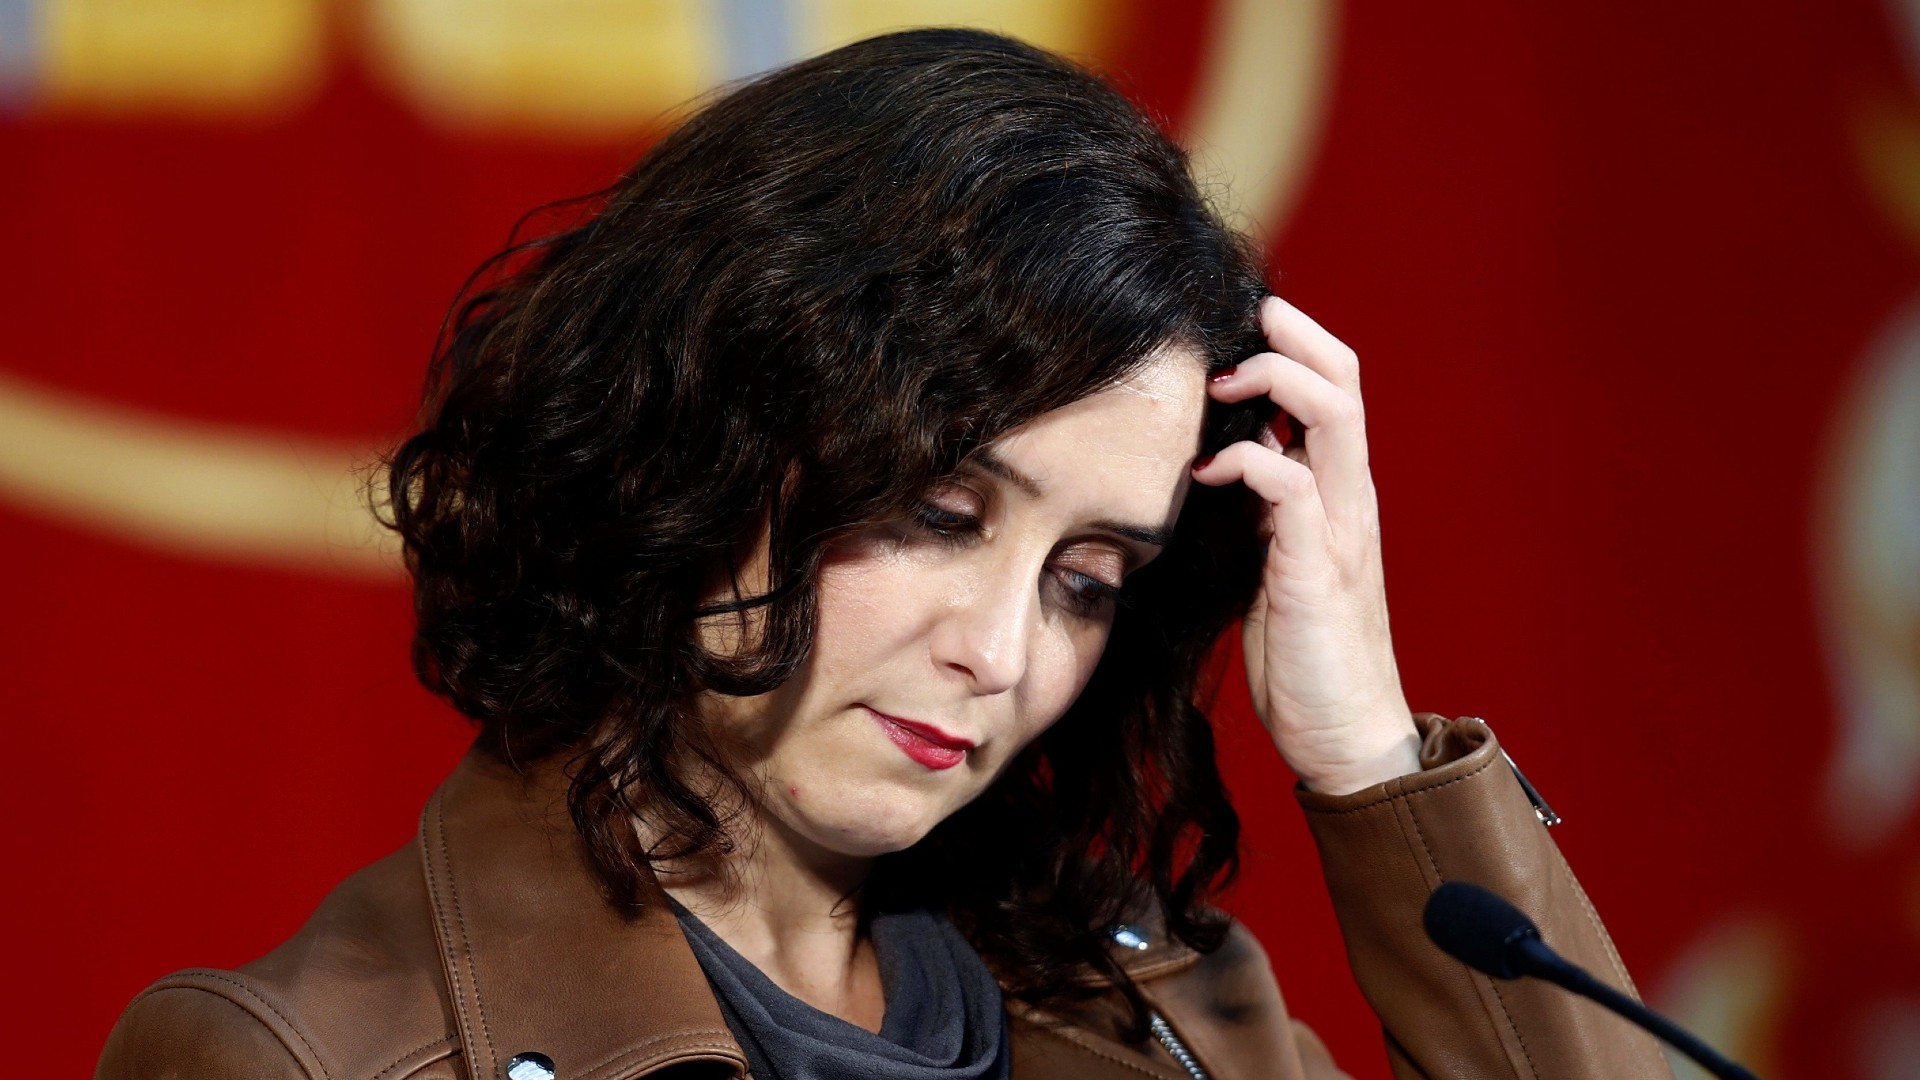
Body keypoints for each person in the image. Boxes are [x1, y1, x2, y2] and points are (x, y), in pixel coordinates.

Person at [97, 28, 1674, 1080]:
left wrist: (1369, 758)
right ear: (703, 431)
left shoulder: (1168, 1008)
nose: (999, 652)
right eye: (937, 514)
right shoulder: (303, 1059)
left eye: (1087, 582)